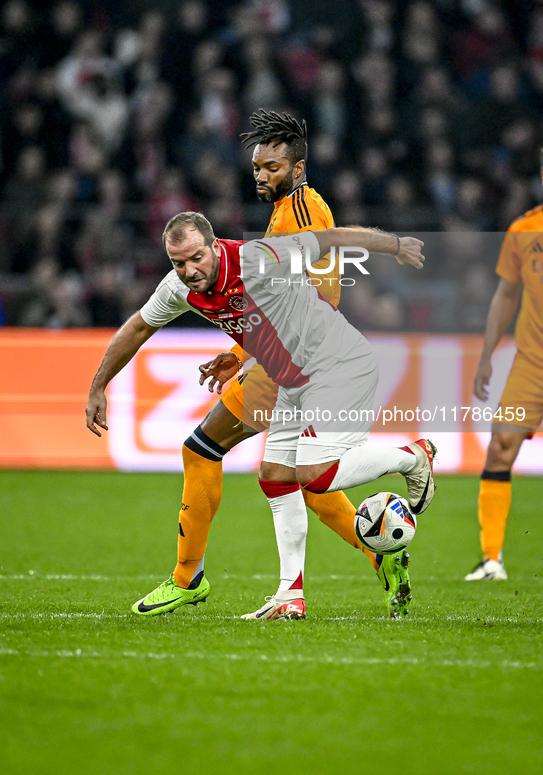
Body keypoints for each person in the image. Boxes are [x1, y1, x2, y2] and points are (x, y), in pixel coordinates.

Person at [119, 110, 416, 619]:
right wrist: (239, 351)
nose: (261, 175)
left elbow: (316, 296)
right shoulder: (289, 210)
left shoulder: (302, 214)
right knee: (293, 477)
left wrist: (247, 353)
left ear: (297, 170)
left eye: (272, 167)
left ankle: (188, 579)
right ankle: (368, 561)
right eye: (257, 166)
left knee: (203, 450)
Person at [466, 195, 543, 581]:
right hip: (533, 364)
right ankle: (491, 559)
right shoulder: (523, 229)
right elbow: (507, 295)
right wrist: (486, 356)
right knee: (500, 448)